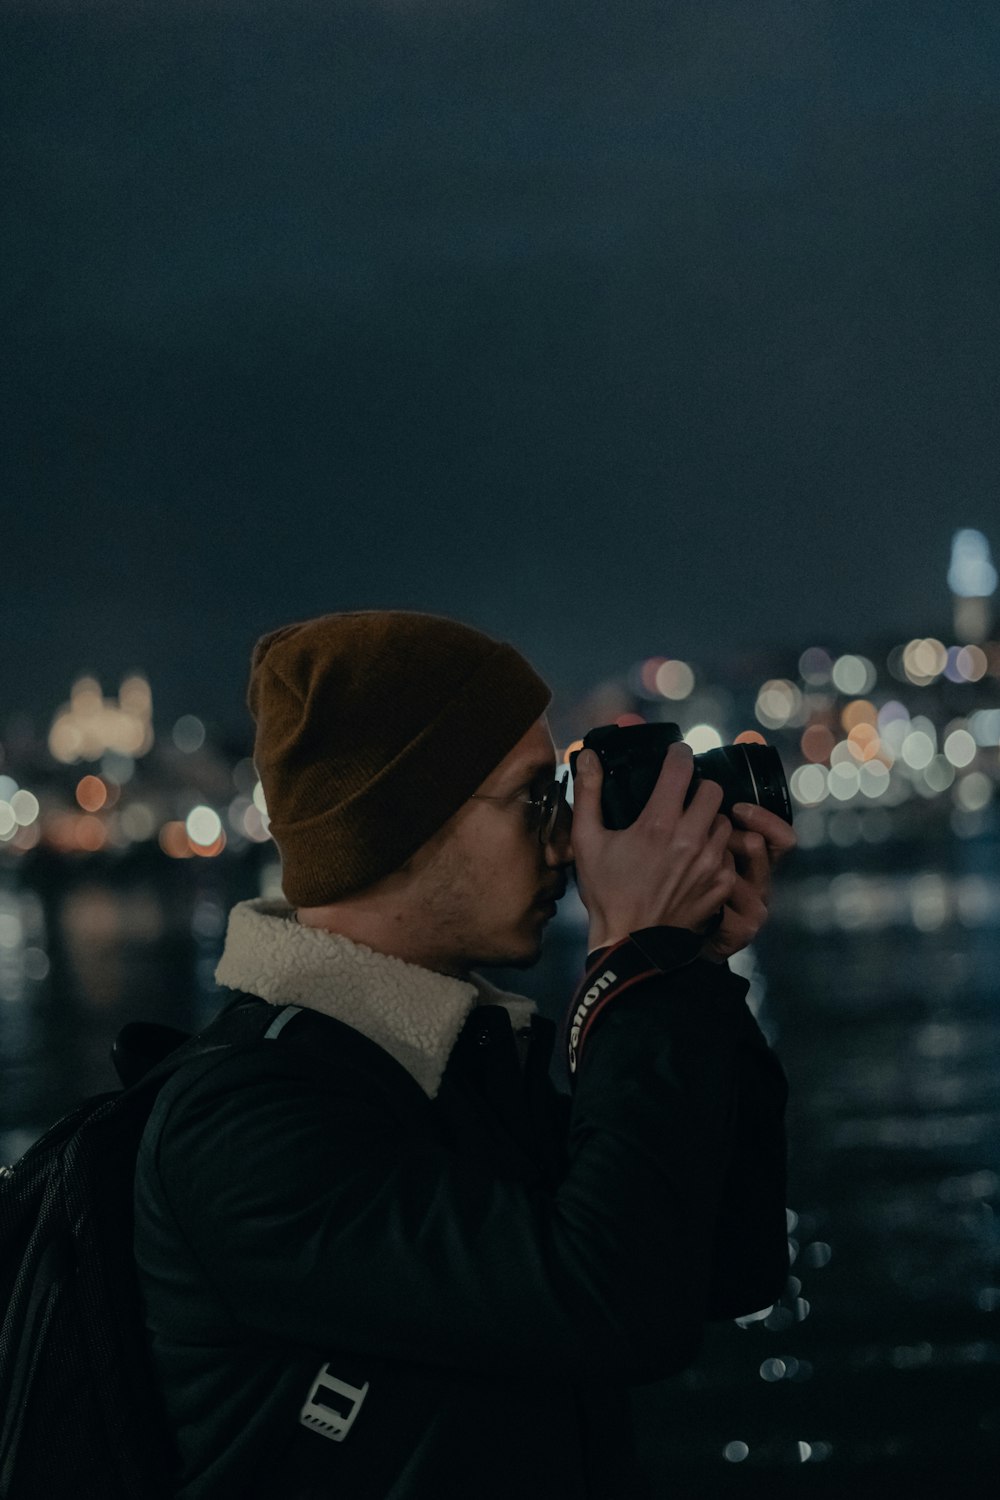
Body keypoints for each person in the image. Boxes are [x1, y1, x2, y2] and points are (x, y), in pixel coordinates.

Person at [134, 610, 795, 1500]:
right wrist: (637, 963)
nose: (565, 837)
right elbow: (612, 1306)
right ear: (403, 820)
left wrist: (693, 968)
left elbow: (728, 1261)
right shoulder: (246, 1124)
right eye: (536, 796)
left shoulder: (451, 1060)